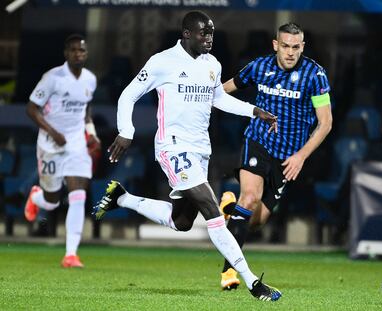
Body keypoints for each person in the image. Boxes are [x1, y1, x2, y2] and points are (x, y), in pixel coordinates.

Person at [93, 11, 281, 302]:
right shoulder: (162, 62)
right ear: (186, 34)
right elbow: (127, 95)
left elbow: (218, 98)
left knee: (181, 221)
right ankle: (253, 283)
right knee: (212, 209)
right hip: (172, 147)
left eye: (212, 33)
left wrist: (253, 110)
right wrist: (126, 131)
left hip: (200, 150)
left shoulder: (212, 64)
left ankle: (122, 198)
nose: (209, 38)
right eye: (203, 33)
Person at [218, 22, 333, 290]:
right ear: (275, 45)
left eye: (296, 47)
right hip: (258, 141)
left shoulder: (314, 76)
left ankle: (231, 208)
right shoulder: (259, 67)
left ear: (302, 47)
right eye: (285, 46)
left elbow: (325, 123)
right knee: (250, 196)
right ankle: (229, 273)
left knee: (256, 222)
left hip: (288, 158)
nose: (291, 52)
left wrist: (301, 156)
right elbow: (224, 90)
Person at [24, 34, 100, 268]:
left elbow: (86, 109)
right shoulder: (52, 78)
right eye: (74, 50)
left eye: (82, 51)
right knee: (52, 201)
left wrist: (92, 133)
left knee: (78, 194)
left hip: (76, 144)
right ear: (66, 53)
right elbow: (31, 109)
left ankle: (70, 254)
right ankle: (36, 196)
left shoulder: (90, 79)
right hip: (50, 145)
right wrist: (53, 131)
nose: (79, 54)